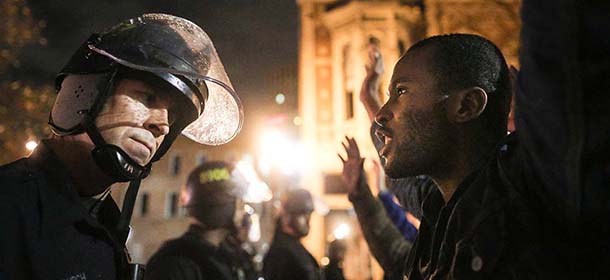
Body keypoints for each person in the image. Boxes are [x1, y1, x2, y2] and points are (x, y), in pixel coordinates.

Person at [341, 0, 610, 277]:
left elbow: (565, 37)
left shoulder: (536, 192)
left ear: (467, 105)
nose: (382, 115)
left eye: (401, 91)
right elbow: (400, 253)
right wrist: (369, 103)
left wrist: (537, 120)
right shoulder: (441, 217)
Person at [0, 14, 242, 280]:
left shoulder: (105, 226)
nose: (162, 125)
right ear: (86, 92)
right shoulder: (10, 206)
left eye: (172, 117)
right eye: (147, 97)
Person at [145, 161, 249, 280]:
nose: (244, 212)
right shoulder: (178, 263)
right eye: (240, 204)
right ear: (223, 206)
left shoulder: (228, 257)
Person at [263, 189, 321, 280]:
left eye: (309, 215)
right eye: (303, 214)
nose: (308, 221)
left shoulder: (294, 248)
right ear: (287, 216)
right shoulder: (281, 254)